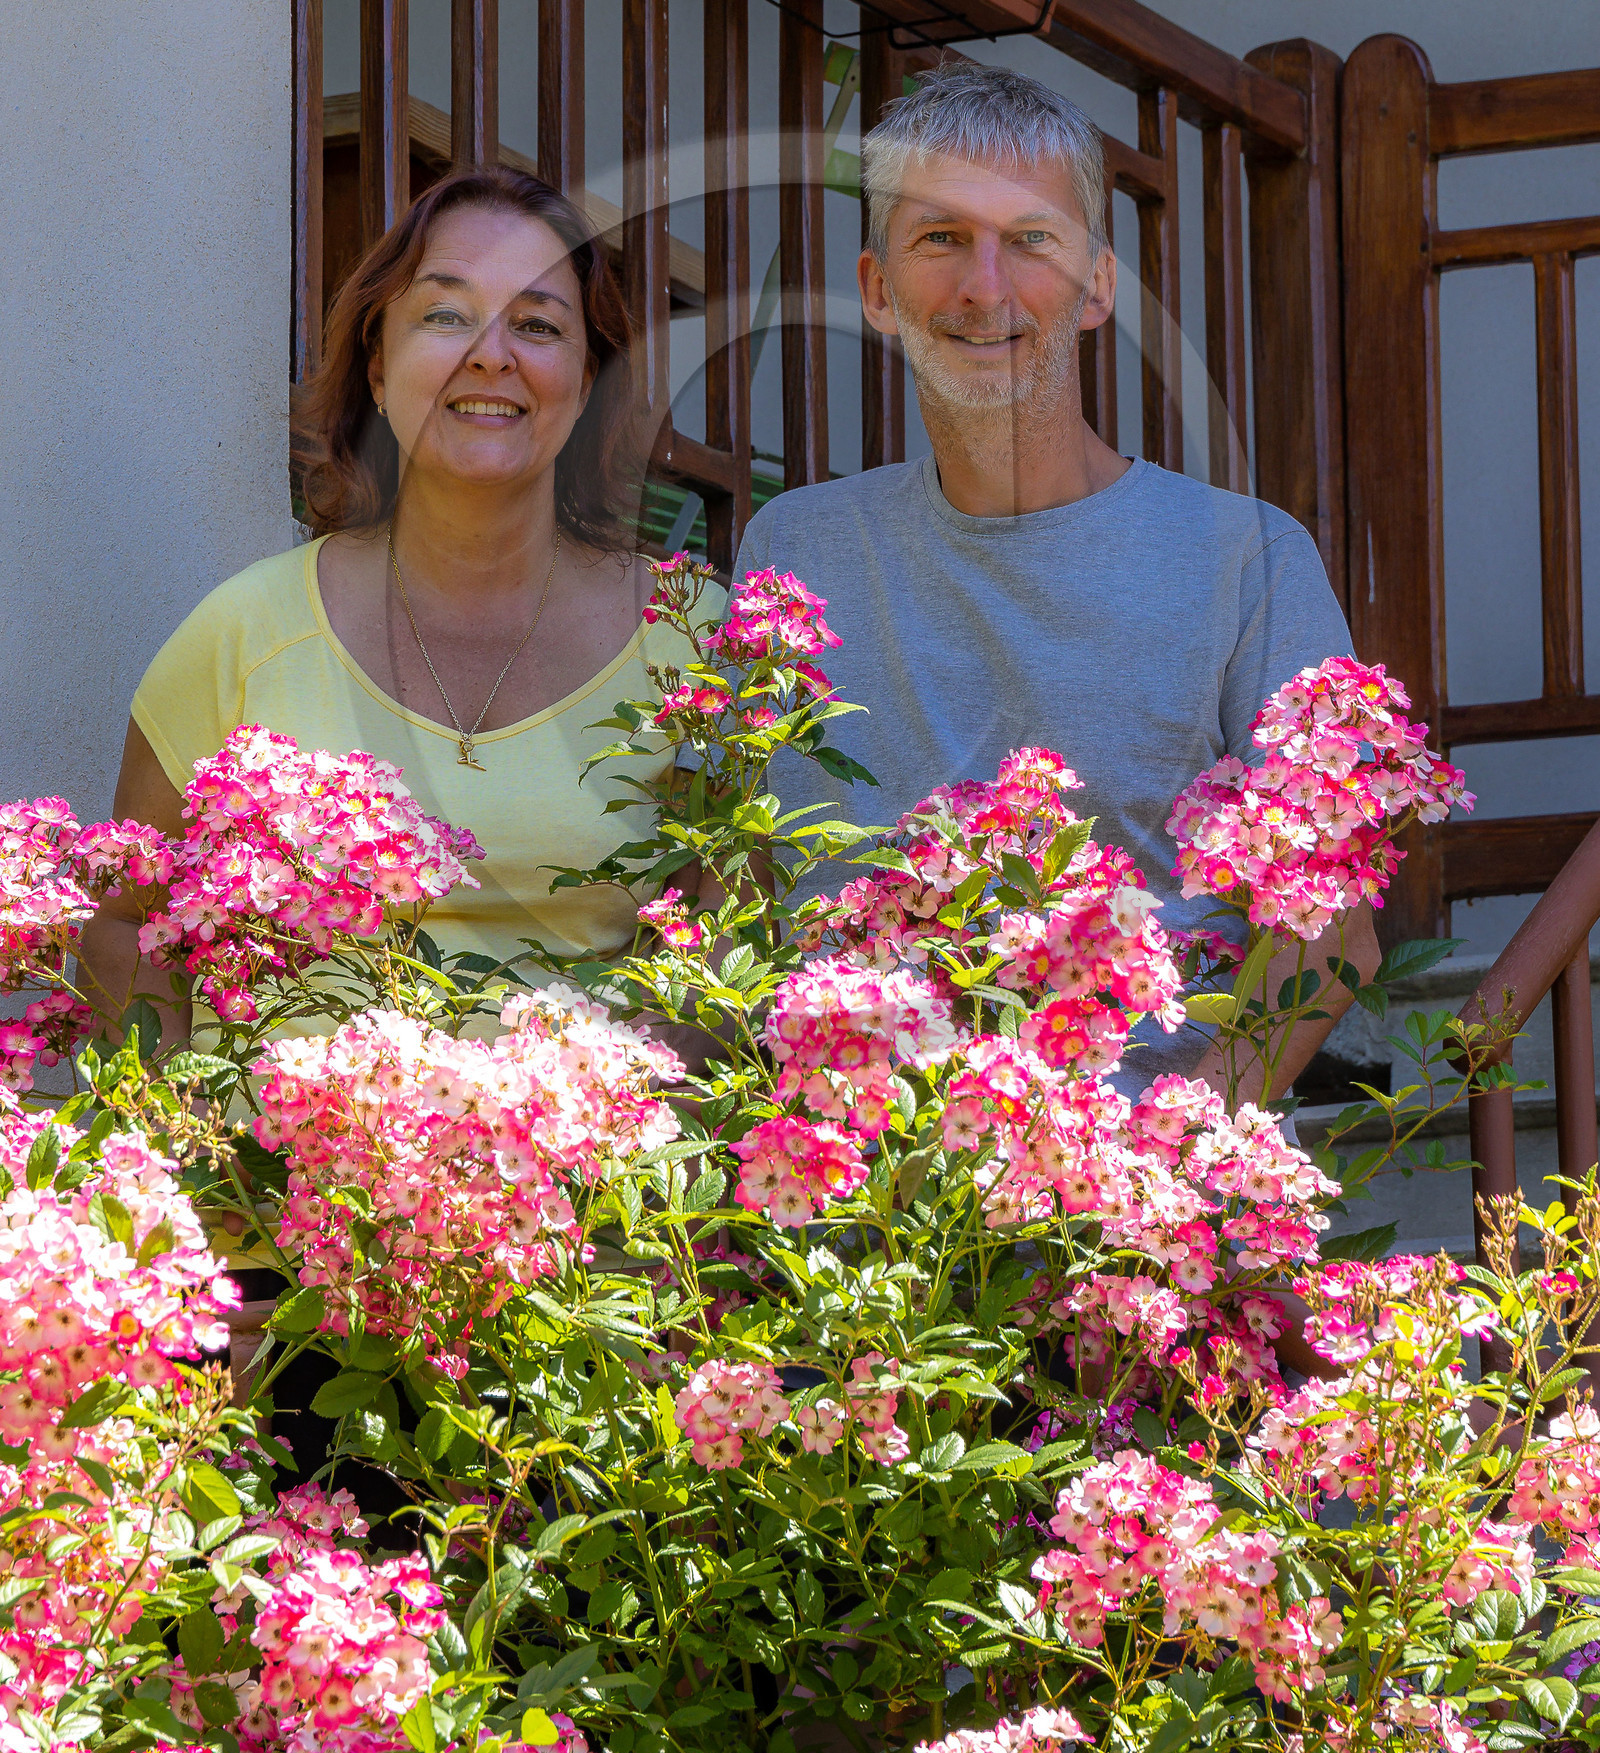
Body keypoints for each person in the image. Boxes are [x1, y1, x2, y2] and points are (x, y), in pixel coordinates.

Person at [731, 60, 1378, 1105]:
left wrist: (1153, 1177)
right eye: (939, 238)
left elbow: (1331, 933)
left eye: (1031, 239)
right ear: (875, 291)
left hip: (1134, 1207)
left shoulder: (1247, 559)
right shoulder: (794, 548)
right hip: (850, 1223)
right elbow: (737, 878)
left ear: (1097, 286)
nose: (985, 286)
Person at [81, 162, 713, 1038]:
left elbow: (727, 949)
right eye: (446, 314)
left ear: (586, 381)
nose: (491, 352)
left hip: (592, 1168)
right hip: (273, 1168)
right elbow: (125, 927)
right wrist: (192, 1149)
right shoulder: (242, 632)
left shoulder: (696, 642)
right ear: (378, 367)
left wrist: (613, 1147)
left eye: (537, 323)